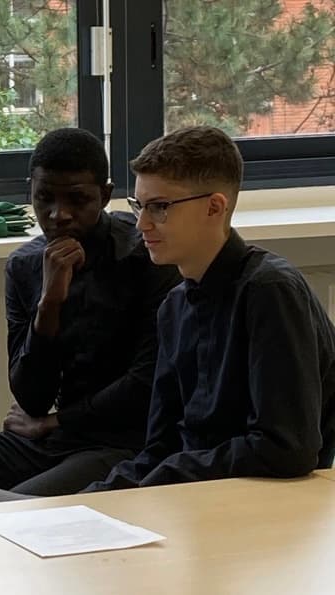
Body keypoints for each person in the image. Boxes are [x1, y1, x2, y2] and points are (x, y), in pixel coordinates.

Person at [0, 128, 181, 508]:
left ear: (105, 194)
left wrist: (57, 420)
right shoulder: (26, 265)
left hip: (122, 442)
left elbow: (147, 381)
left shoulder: (146, 257)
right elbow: (31, 396)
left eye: (77, 200)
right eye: (44, 198)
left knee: (16, 514)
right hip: (44, 439)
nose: (58, 214)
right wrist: (49, 303)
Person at [86, 126, 335, 491]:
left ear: (214, 207)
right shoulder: (174, 307)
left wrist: (170, 474)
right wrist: (91, 502)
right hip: (197, 498)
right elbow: (161, 448)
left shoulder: (270, 290)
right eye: (139, 206)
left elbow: (287, 448)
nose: (142, 224)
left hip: (269, 508)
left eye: (160, 207)